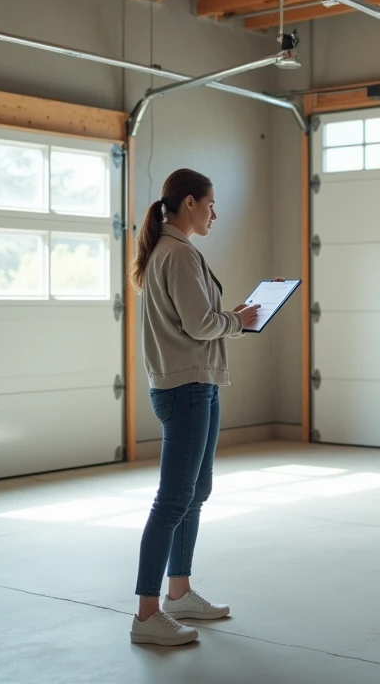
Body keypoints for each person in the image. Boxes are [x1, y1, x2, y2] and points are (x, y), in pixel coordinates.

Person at [128, 168, 261, 647]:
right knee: (172, 499)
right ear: (189, 203)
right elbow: (201, 324)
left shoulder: (171, 250)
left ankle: (179, 592)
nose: (214, 214)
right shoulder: (178, 253)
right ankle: (147, 614)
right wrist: (238, 321)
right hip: (186, 388)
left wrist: (232, 318)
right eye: (210, 205)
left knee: (195, 491)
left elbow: (198, 321)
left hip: (197, 384)